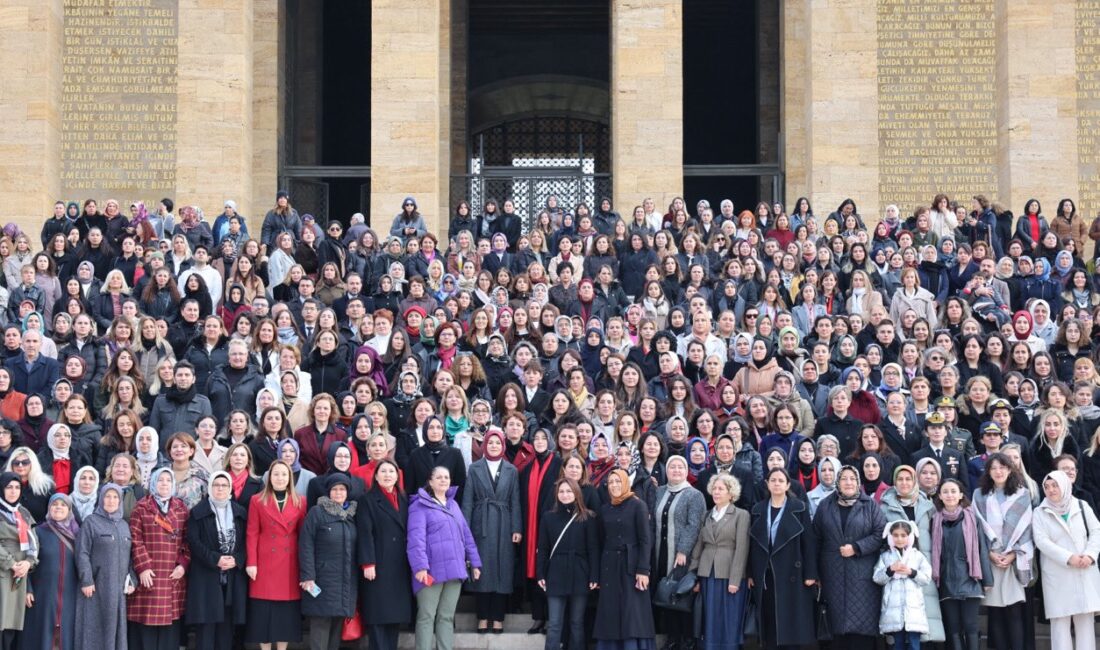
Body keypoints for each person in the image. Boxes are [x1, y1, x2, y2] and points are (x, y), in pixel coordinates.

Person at [406, 465, 482, 650]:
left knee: (447, 616)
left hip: (455, 569)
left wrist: (475, 564)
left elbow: (466, 535)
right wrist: (420, 567)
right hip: (431, 570)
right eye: (438, 477)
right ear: (430, 481)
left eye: (446, 477)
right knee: (426, 616)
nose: (443, 480)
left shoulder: (453, 505)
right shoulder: (419, 505)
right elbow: (415, 539)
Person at [813, 465, 886, 650]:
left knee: (861, 632)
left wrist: (857, 547)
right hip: (832, 574)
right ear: (838, 482)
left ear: (858, 482)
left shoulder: (870, 505)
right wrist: (815, 573)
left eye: (852, 478)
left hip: (863, 576)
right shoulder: (825, 505)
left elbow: (880, 534)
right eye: (844, 478)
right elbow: (815, 539)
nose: (848, 482)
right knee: (835, 631)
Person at [748, 468, 818, 650]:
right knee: (770, 621)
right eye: (773, 480)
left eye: (781, 480)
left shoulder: (799, 507)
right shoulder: (757, 510)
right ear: (767, 484)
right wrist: (750, 573)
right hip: (766, 574)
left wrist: (811, 573)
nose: (777, 483)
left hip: (792, 573)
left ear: (788, 485)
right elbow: (752, 546)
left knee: (791, 624)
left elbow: (809, 543)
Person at [1031, 470, 1100, 650]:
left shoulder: (1082, 505)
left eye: (1055, 485)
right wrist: (1069, 558)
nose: (1051, 490)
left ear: (1064, 485)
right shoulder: (1039, 512)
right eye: (1047, 487)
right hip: (1058, 575)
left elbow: (1096, 531)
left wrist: (1090, 555)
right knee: (1060, 627)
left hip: (1084, 570)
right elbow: (1041, 541)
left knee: (1085, 625)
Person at [461, 430, 521, 634]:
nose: (494, 445)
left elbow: (515, 501)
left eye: (498, 442)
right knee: (482, 570)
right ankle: (483, 616)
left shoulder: (511, 470)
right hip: (481, 523)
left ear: (503, 445)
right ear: (484, 445)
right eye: (490, 442)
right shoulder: (474, 468)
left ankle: (497, 618)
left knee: (503, 570)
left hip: (504, 524)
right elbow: (467, 501)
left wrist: (516, 528)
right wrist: (465, 529)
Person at [971, 453, 1033, 650]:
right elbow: (976, 527)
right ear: (988, 471)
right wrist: (989, 553)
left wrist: (1013, 554)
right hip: (991, 559)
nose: (998, 471)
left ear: (1010, 469)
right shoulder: (979, 495)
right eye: (994, 468)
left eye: (1002, 467)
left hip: (1014, 559)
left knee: (1014, 611)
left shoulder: (1022, 494)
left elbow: (1027, 527)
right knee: (995, 612)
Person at [245, 460, 306, 650]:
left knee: (285, 615)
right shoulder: (257, 500)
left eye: (284, 474)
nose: (280, 478)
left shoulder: (300, 501)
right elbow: (252, 532)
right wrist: (251, 563)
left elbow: (303, 535)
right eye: (276, 474)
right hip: (264, 563)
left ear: (290, 478)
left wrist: (304, 567)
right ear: (269, 477)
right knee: (263, 612)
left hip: (289, 563)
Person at [127, 466, 189, 649]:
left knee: (169, 630)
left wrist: (183, 565)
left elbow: (188, 540)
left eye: (168, 480)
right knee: (146, 625)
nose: (164, 483)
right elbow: (135, 539)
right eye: (160, 480)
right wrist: (143, 567)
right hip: (150, 574)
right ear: (153, 482)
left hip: (172, 575)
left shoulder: (181, 508)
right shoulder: (141, 507)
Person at [185, 471, 248, 650]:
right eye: (216, 485)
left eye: (224, 485)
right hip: (206, 575)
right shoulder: (198, 512)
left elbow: (246, 541)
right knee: (206, 626)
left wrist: (236, 559)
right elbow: (194, 541)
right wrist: (216, 559)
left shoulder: (240, 513)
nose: (220, 488)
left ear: (230, 488)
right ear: (210, 488)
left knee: (226, 627)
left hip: (232, 576)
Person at [593, 468, 655, 649]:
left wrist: (643, 570)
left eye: (618, 481)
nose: (614, 485)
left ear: (625, 482)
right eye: (610, 482)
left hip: (632, 566)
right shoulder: (604, 509)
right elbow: (600, 541)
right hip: (609, 566)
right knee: (610, 610)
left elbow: (645, 540)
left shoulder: (638, 505)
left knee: (632, 613)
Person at [690, 472, 750, 650]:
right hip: (707, 573)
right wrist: (694, 576)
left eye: (721, 489)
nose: (716, 492)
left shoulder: (741, 515)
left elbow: (742, 549)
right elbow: (698, 547)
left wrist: (735, 580)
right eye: (714, 489)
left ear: (731, 493)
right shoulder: (708, 515)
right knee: (709, 617)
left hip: (729, 574)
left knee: (728, 618)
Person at [537, 477, 599, 650]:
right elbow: (542, 548)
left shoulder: (587, 517)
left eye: (569, 491)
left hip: (580, 572)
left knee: (576, 623)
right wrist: (540, 573)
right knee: (555, 623)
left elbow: (593, 549)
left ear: (576, 493)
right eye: (561, 491)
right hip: (555, 572)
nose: (565, 495)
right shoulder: (548, 517)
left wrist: (594, 575)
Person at [356, 459, 412, 650]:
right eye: (383, 471)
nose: (388, 475)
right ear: (376, 476)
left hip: (399, 565)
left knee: (393, 617)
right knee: (378, 617)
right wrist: (368, 562)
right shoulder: (368, 499)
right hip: (378, 564)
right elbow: (365, 532)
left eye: (391, 471)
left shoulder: (405, 499)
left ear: (397, 476)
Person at [298, 474, 358, 650]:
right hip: (321, 580)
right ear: (328, 492)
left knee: (336, 628)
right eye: (334, 489)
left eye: (342, 489)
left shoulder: (351, 515)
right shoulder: (317, 512)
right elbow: (305, 544)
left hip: (345, 582)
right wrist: (308, 576)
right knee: (320, 626)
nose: (338, 493)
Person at [930, 479, 992, 650]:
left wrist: (986, 580)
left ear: (961, 495)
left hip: (970, 580)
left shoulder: (972, 519)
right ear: (940, 496)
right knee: (954, 629)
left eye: (953, 491)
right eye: (946, 492)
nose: (949, 495)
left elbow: (981, 549)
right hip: (946, 581)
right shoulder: (935, 521)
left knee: (971, 628)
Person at [652, 455, 706, 649]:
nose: (676, 470)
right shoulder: (659, 492)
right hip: (661, 552)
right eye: (672, 467)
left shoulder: (694, 495)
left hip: (682, 554)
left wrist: (683, 550)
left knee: (680, 595)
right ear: (666, 471)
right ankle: (671, 638)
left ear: (686, 471)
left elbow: (694, 526)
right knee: (665, 594)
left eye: (680, 467)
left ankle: (685, 639)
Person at [74, 483, 133, 650]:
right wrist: (86, 580)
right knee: (94, 630)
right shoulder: (91, 522)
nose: (111, 500)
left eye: (115, 497)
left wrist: (132, 580)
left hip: (119, 592)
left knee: (115, 633)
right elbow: (82, 552)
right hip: (96, 588)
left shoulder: (124, 525)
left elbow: (131, 557)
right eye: (107, 496)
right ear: (101, 498)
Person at [22, 494, 79, 650]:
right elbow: (27, 561)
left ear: (69, 510)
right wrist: (28, 589)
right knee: (41, 637)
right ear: (49, 508)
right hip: (42, 594)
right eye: (55, 504)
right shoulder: (38, 531)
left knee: (65, 637)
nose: (58, 507)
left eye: (63, 504)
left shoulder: (78, 534)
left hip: (70, 594)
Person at [872, 520, 932, 650]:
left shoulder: (918, 556)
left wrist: (911, 572)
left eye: (903, 535)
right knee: (897, 645)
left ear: (910, 537)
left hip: (914, 610)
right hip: (893, 610)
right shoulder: (885, 557)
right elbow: (877, 578)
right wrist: (890, 570)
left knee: (914, 645)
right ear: (890, 537)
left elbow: (926, 578)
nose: (899, 539)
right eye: (895, 535)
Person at [0, 472, 36, 649]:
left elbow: (34, 542)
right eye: (8, 487)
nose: (13, 491)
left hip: (20, 574)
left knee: (11, 624)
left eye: (17, 487)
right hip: (4, 570)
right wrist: (11, 564)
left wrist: (29, 562)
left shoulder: (23, 512)